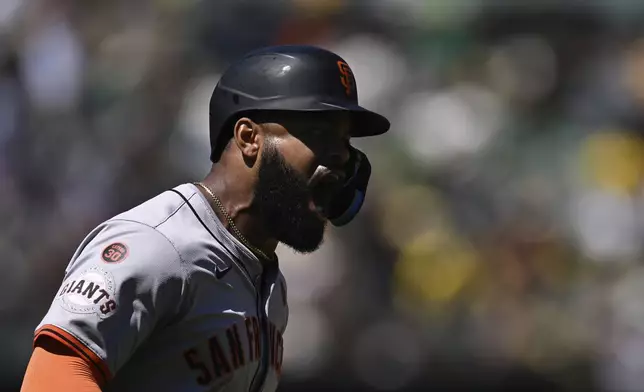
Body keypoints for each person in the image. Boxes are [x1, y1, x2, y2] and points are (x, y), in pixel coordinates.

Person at [20, 45, 390, 392]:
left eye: (344, 144)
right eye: (320, 135)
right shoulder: (156, 245)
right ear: (249, 137)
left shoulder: (268, 284)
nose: (341, 162)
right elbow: (52, 375)